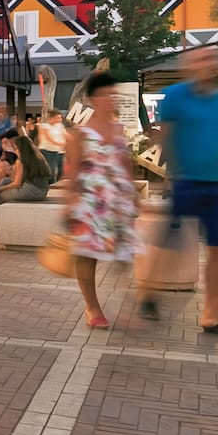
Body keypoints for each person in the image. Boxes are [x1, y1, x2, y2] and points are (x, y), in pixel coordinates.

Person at [144, 45, 218, 337]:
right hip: (186, 180)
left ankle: (211, 315)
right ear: (189, 65)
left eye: (212, 59)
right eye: (200, 58)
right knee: (170, 244)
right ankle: (148, 292)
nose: (207, 63)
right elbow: (165, 137)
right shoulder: (175, 96)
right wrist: (170, 175)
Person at [63, 71, 138, 328]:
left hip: (117, 201)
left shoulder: (119, 129)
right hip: (90, 201)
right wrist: (69, 203)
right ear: (93, 99)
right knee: (88, 255)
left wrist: (133, 195)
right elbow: (73, 170)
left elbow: (125, 164)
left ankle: (128, 301)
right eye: (105, 95)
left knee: (125, 253)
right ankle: (92, 307)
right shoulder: (82, 132)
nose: (110, 99)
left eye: (112, 94)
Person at [37, 110, 69, 181]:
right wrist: (61, 144)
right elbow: (49, 138)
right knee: (51, 170)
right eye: (57, 118)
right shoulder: (44, 126)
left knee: (60, 170)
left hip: (56, 151)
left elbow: (66, 135)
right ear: (51, 118)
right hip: (46, 150)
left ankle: (56, 182)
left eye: (60, 118)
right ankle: (49, 184)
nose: (60, 120)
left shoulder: (59, 126)